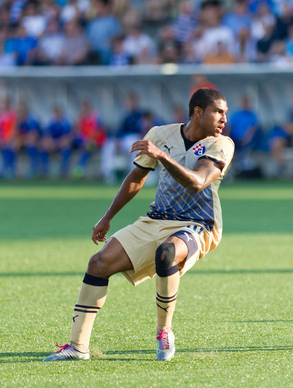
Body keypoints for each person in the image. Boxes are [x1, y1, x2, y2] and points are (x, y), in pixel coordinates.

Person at [43, 88, 235, 362]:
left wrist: (162, 156)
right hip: (157, 218)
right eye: (219, 111)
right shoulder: (160, 134)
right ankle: (77, 347)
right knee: (98, 263)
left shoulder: (222, 144)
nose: (224, 118)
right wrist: (108, 216)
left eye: (225, 113)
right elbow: (136, 176)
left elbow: (197, 182)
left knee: (167, 253)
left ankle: (164, 332)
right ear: (198, 112)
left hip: (198, 225)